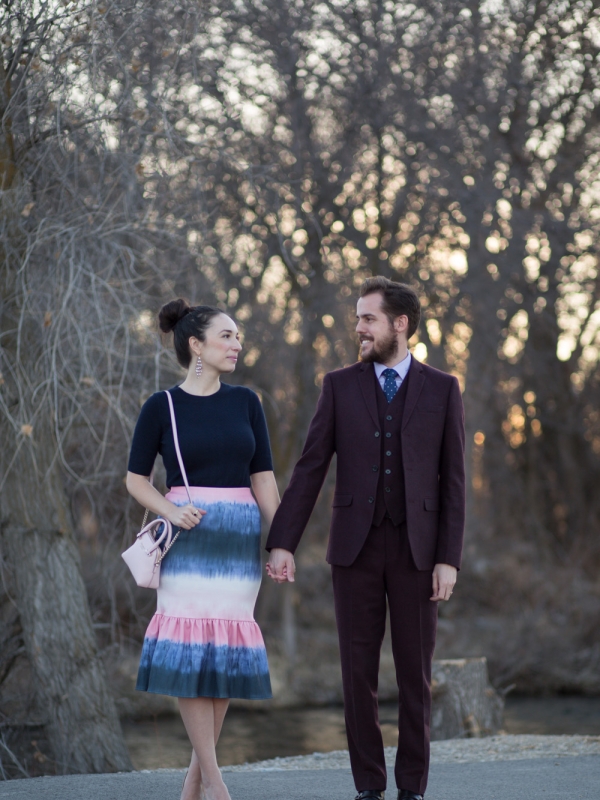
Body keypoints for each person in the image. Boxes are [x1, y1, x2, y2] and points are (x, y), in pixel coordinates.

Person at [266, 276, 465, 800]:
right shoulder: (338, 385)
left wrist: (450, 558)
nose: (358, 328)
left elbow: (455, 481)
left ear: (400, 324)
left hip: (419, 552)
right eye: (358, 318)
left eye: (368, 318)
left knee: (415, 677)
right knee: (357, 676)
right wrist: (283, 541)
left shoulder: (443, 388)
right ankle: (369, 790)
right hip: (353, 549)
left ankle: (413, 790)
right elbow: (310, 468)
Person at [126, 299, 279, 800]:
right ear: (196, 345)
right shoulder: (161, 406)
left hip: (238, 543)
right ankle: (216, 784)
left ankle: (194, 785)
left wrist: (282, 543)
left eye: (238, 337)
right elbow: (135, 480)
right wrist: (170, 512)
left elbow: (264, 480)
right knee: (192, 653)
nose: (238, 344)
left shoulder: (246, 402)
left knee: (225, 652)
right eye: (228, 336)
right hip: (187, 540)